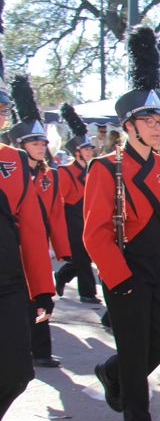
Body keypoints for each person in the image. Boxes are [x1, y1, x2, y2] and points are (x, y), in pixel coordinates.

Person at [83, 25, 160, 421]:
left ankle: (111, 373)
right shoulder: (104, 167)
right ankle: (138, 418)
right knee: (133, 345)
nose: (156, 126)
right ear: (128, 126)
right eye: (148, 120)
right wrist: (117, 275)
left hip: (158, 265)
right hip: (125, 265)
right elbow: (95, 233)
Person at [0, 23, 56, 421]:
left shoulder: (15, 160)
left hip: (8, 283)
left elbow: (32, 227)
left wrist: (42, 287)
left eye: (2, 107)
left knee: (17, 372)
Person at [8, 75, 71, 368]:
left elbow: (56, 213)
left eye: (43, 142)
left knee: (41, 296)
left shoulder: (50, 176)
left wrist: (62, 249)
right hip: (11, 243)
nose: (40, 146)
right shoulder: (10, 170)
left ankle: (42, 351)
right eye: (34, 142)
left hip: (37, 244)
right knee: (16, 299)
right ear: (20, 144)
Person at [56, 103, 100, 304]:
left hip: (90, 216)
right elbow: (60, 200)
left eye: (90, 149)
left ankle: (62, 275)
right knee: (82, 256)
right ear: (76, 152)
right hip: (73, 218)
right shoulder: (65, 171)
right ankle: (87, 293)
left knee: (89, 255)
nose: (90, 152)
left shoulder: (93, 169)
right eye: (86, 149)